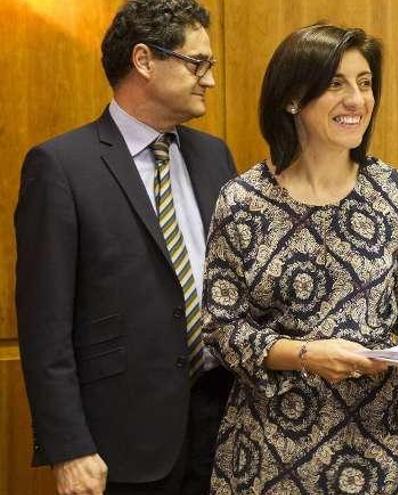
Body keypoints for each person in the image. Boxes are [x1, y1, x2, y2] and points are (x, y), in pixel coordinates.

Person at [201, 24, 398, 495]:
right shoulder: (242, 201)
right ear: (293, 98)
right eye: (336, 84)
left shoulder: (395, 192)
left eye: (365, 84)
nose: (357, 100)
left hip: (380, 450)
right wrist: (306, 355)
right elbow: (222, 330)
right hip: (271, 453)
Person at [14, 1, 236, 494]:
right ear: (144, 60)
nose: (210, 80)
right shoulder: (61, 167)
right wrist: (68, 446)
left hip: (222, 427)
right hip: (121, 442)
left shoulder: (214, 156)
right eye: (198, 63)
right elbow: (44, 326)